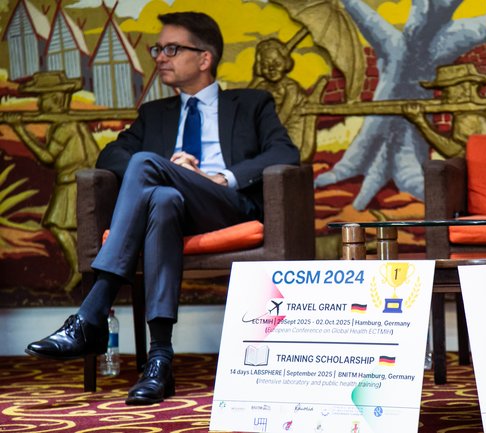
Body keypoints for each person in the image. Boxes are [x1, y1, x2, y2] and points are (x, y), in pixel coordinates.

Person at [25, 12, 298, 405]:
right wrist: (169, 169)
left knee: (146, 164)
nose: (159, 58)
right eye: (158, 49)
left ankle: (93, 312)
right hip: (170, 210)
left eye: (171, 49)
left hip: (225, 206)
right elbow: (110, 155)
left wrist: (219, 178)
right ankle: (159, 361)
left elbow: (284, 152)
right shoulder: (155, 114)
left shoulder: (252, 103)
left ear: (204, 58)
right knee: (162, 197)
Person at [6, 72, 101, 294]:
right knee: (73, 229)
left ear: (57, 99)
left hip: (72, 184)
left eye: (44, 98)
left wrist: (20, 130)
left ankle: (80, 269)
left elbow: (48, 158)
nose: (40, 104)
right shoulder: (73, 124)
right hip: (75, 181)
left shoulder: (65, 127)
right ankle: (84, 269)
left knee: (58, 225)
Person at [402, 63, 486, 158]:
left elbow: (453, 152)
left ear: (464, 88)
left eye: (446, 90)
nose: (442, 95)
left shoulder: (468, 118)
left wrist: (420, 122)